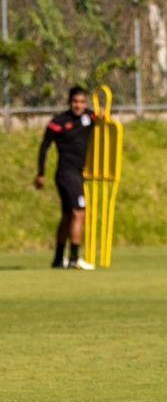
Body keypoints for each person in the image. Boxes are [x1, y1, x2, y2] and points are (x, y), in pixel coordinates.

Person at [34, 86, 96, 270]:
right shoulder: (59, 122)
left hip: (78, 173)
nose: (79, 105)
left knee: (68, 216)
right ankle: (75, 259)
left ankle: (58, 259)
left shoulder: (89, 117)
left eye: (82, 102)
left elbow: (101, 118)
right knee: (79, 212)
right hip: (66, 174)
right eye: (75, 102)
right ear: (69, 102)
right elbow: (44, 147)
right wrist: (41, 173)